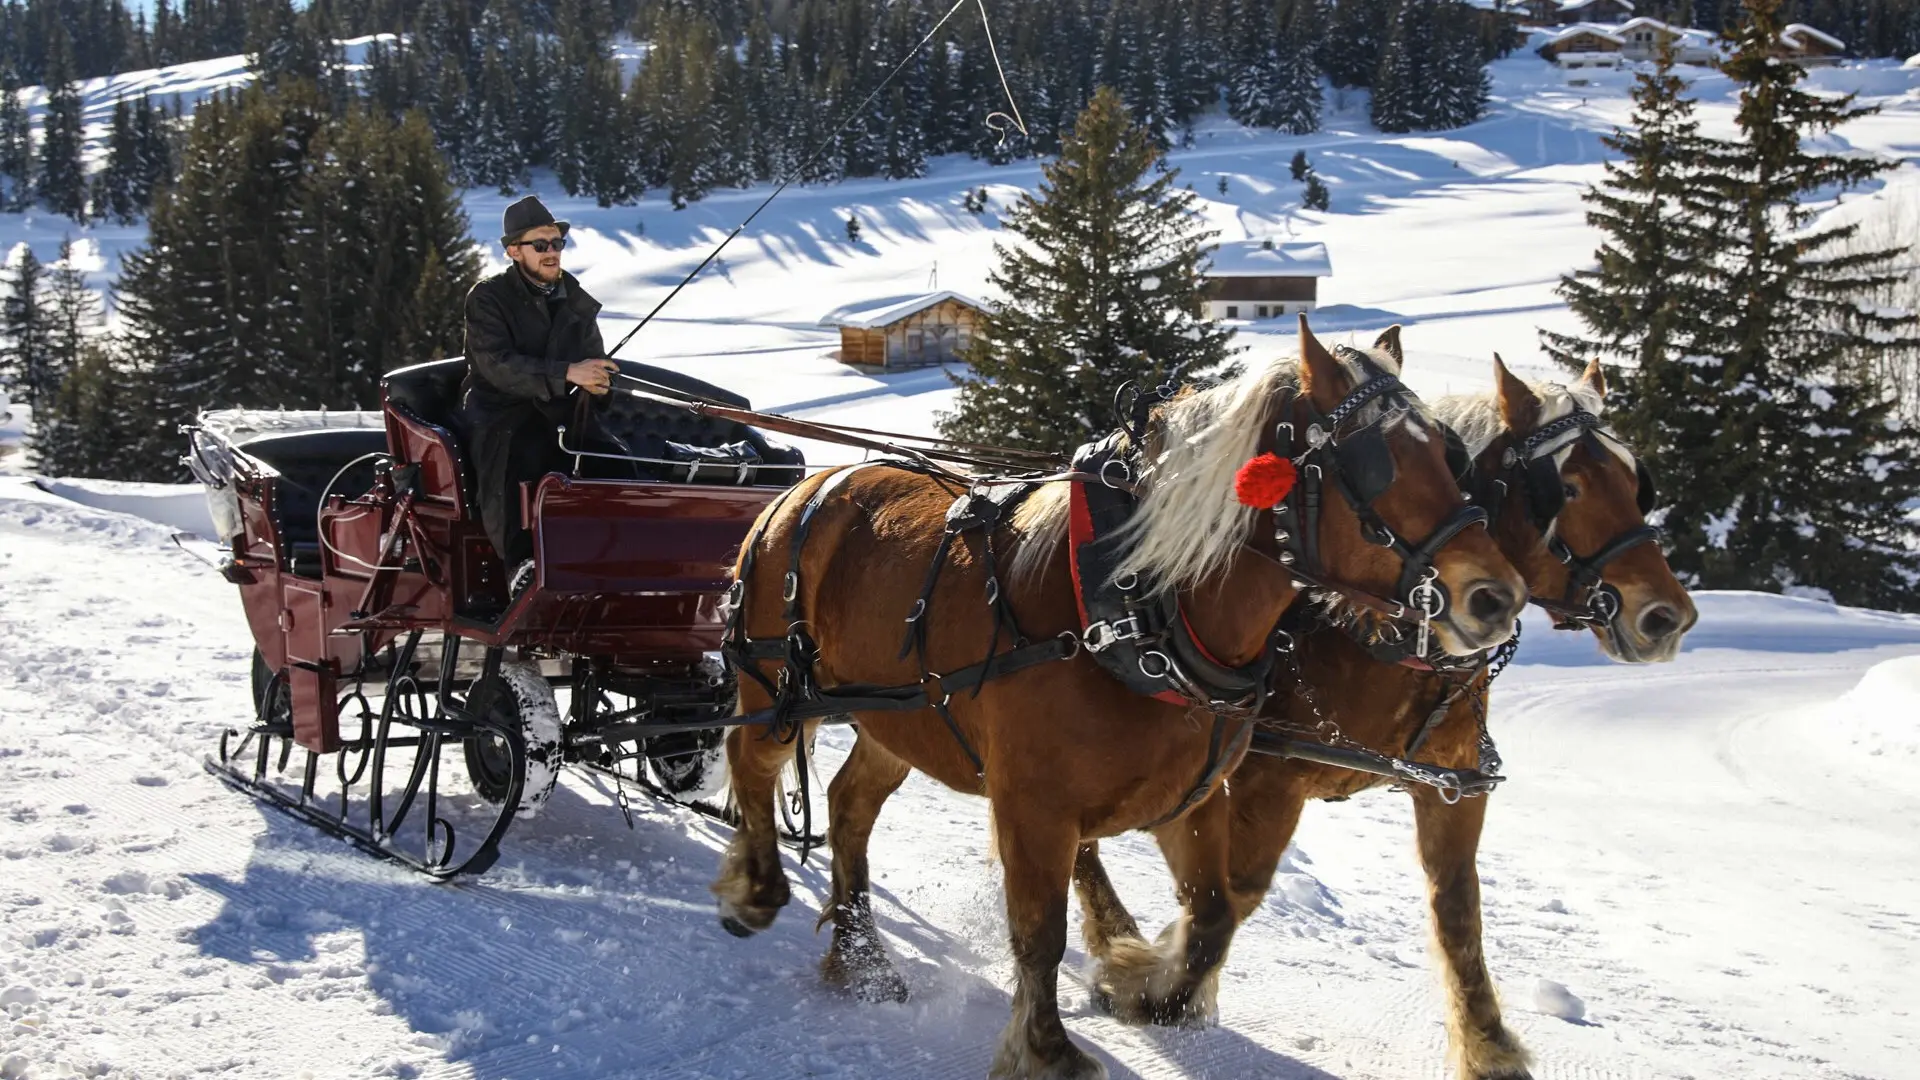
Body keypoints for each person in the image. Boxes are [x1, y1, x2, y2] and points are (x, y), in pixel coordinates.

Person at [460, 194, 620, 590]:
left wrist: (600, 385)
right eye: (541, 245)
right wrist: (569, 372)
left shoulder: (574, 298)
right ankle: (522, 565)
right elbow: (496, 364)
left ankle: (619, 556)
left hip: (562, 411)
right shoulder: (487, 297)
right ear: (515, 251)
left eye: (557, 243)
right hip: (501, 411)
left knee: (617, 462)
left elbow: (592, 359)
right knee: (523, 456)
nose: (552, 253)